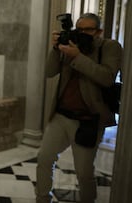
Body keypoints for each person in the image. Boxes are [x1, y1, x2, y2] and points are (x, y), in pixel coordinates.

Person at [36, 13, 122, 203]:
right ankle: (42, 199)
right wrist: (56, 48)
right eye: (79, 29)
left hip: (88, 120)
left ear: (98, 31)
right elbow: (49, 72)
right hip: (61, 115)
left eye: (87, 29)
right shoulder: (70, 44)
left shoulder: (109, 47)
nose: (81, 33)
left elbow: (107, 77)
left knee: (83, 172)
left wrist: (78, 57)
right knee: (44, 159)